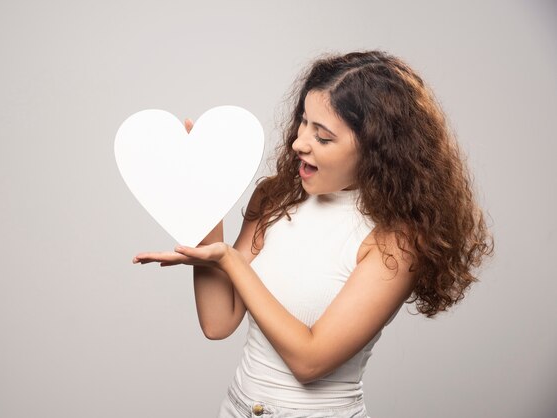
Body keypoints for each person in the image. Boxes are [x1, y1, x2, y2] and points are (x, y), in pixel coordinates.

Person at [132, 50, 494, 418]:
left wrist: (229, 259)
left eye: (322, 137)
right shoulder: (275, 197)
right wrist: (205, 194)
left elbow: (309, 362)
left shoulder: (396, 243)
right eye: (303, 123)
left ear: (377, 150)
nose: (299, 143)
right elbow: (217, 322)